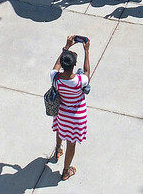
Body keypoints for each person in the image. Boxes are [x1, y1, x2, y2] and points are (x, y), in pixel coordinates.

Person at [50, 35, 91, 181]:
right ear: (74, 65)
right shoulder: (80, 81)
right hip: (76, 116)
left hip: (62, 112)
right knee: (71, 144)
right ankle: (66, 172)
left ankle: (57, 150)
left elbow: (55, 67)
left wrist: (66, 48)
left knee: (61, 130)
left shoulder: (56, 78)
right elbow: (87, 72)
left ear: (63, 64)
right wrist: (87, 51)